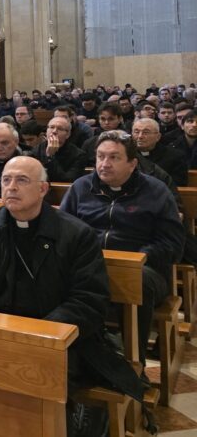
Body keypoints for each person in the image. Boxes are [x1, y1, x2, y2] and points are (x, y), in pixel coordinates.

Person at [0, 156, 145, 436]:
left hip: (57, 341)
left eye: (22, 180)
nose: (11, 187)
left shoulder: (76, 234)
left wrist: (42, 336)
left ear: (43, 189)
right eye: (6, 180)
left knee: (33, 380)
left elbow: (89, 299)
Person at [60, 131, 184, 367]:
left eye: (114, 157)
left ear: (132, 163)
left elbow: (172, 244)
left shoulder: (156, 191)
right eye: (100, 156)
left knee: (136, 280)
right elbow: (63, 230)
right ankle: (78, 360)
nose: (104, 164)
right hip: (90, 266)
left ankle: (134, 364)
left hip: (146, 270)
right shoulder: (80, 187)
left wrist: (139, 258)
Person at [29, 116, 87, 182]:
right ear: (46, 131)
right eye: (51, 127)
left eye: (60, 129)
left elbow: (67, 180)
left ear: (68, 134)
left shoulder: (79, 155)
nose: (54, 131)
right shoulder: (36, 150)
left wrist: (50, 157)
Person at [133, 118, 187, 186]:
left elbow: (177, 185)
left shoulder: (175, 156)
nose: (140, 136)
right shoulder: (126, 155)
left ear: (158, 137)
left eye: (146, 132)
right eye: (136, 132)